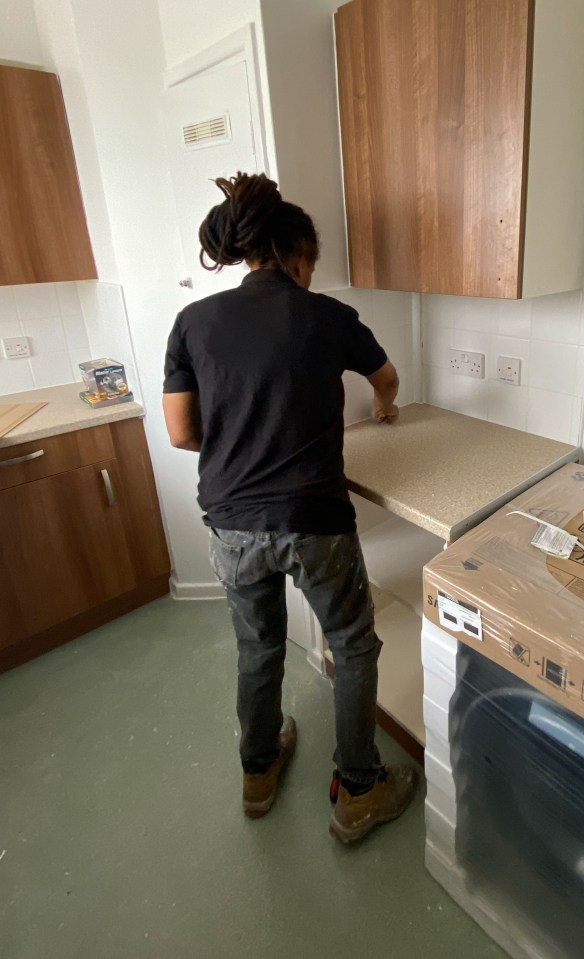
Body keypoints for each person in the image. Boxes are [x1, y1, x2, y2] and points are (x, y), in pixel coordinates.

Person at [162, 172, 417, 843]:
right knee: (353, 645)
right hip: (314, 520)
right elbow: (386, 380)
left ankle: (258, 767)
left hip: (232, 522)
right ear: (298, 254)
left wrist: (246, 439)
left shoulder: (193, 323)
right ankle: (359, 789)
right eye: (313, 263)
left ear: (249, 254)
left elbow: (182, 432)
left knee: (258, 645)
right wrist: (385, 409)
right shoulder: (327, 316)